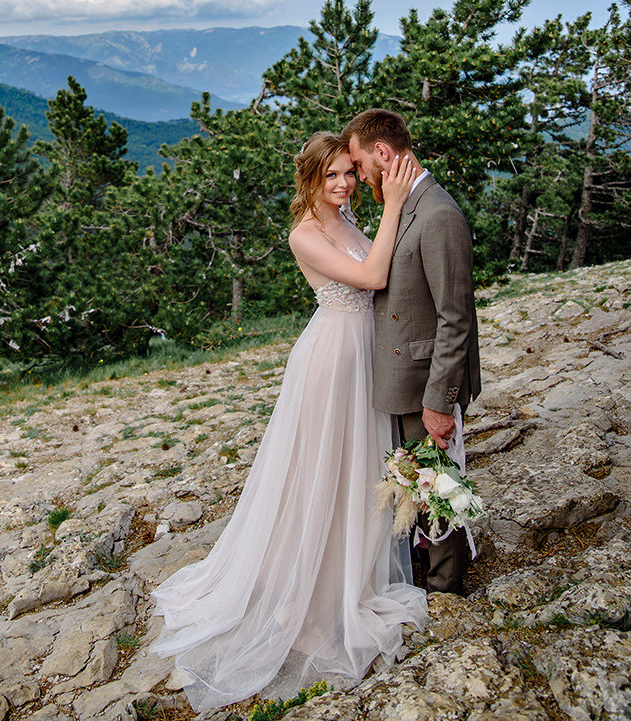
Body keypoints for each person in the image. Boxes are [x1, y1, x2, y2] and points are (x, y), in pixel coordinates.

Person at [151, 132, 427, 712]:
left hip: (365, 356)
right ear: (309, 179)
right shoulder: (305, 234)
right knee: (321, 472)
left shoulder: (348, 219)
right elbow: (374, 277)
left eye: (350, 172)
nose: (344, 183)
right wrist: (396, 202)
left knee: (357, 471)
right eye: (331, 176)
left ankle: (355, 575)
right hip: (331, 362)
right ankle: (311, 598)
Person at [342, 109, 481, 596]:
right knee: (415, 483)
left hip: (426, 383)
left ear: (382, 153)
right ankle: (426, 569)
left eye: (359, 165)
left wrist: (440, 401)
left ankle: (447, 586)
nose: (359, 176)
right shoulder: (407, 205)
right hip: (402, 378)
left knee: (436, 484)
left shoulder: (439, 215)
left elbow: (456, 316)